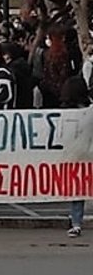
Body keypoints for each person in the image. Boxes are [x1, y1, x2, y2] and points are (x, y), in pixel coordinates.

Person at [61, 75, 91, 238]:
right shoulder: (89, 109)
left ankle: (76, 223)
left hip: (77, 155)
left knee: (78, 190)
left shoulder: (66, 112)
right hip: (88, 153)